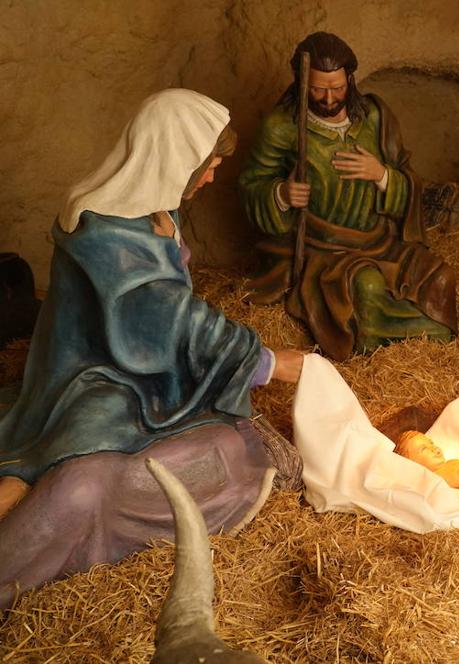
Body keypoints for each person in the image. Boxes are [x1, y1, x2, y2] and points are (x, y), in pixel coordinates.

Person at [0, 89, 304, 607]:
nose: (210, 177)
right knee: (84, 455)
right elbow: (170, 321)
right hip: (97, 377)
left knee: (223, 436)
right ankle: (21, 486)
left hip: (141, 371)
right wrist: (266, 361)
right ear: (175, 157)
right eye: (207, 165)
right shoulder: (103, 227)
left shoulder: (154, 211)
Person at [239, 31, 457, 360]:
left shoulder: (375, 118)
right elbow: (251, 184)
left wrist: (381, 176)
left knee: (440, 276)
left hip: (380, 240)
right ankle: (376, 352)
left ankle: (432, 346)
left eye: (337, 88)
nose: (328, 99)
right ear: (300, 83)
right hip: (323, 247)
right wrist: (282, 194)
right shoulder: (282, 127)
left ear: (351, 80)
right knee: (367, 287)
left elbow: (410, 177)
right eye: (317, 89)